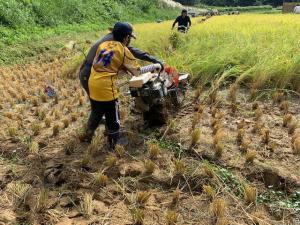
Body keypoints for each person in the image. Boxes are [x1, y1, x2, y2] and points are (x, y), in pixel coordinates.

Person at [86, 22, 160, 149]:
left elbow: (105, 63)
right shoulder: (123, 50)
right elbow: (136, 72)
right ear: (126, 38)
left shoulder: (103, 45)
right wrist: (155, 66)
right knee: (113, 117)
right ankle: (114, 142)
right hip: (106, 89)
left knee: (96, 111)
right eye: (129, 37)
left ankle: (88, 133)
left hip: (92, 83)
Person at [79, 23, 164, 95]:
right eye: (129, 37)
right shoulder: (116, 43)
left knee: (98, 108)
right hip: (91, 75)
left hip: (88, 74)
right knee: (104, 106)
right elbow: (136, 67)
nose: (129, 40)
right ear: (126, 37)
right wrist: (155, 63)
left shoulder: (111, 39)